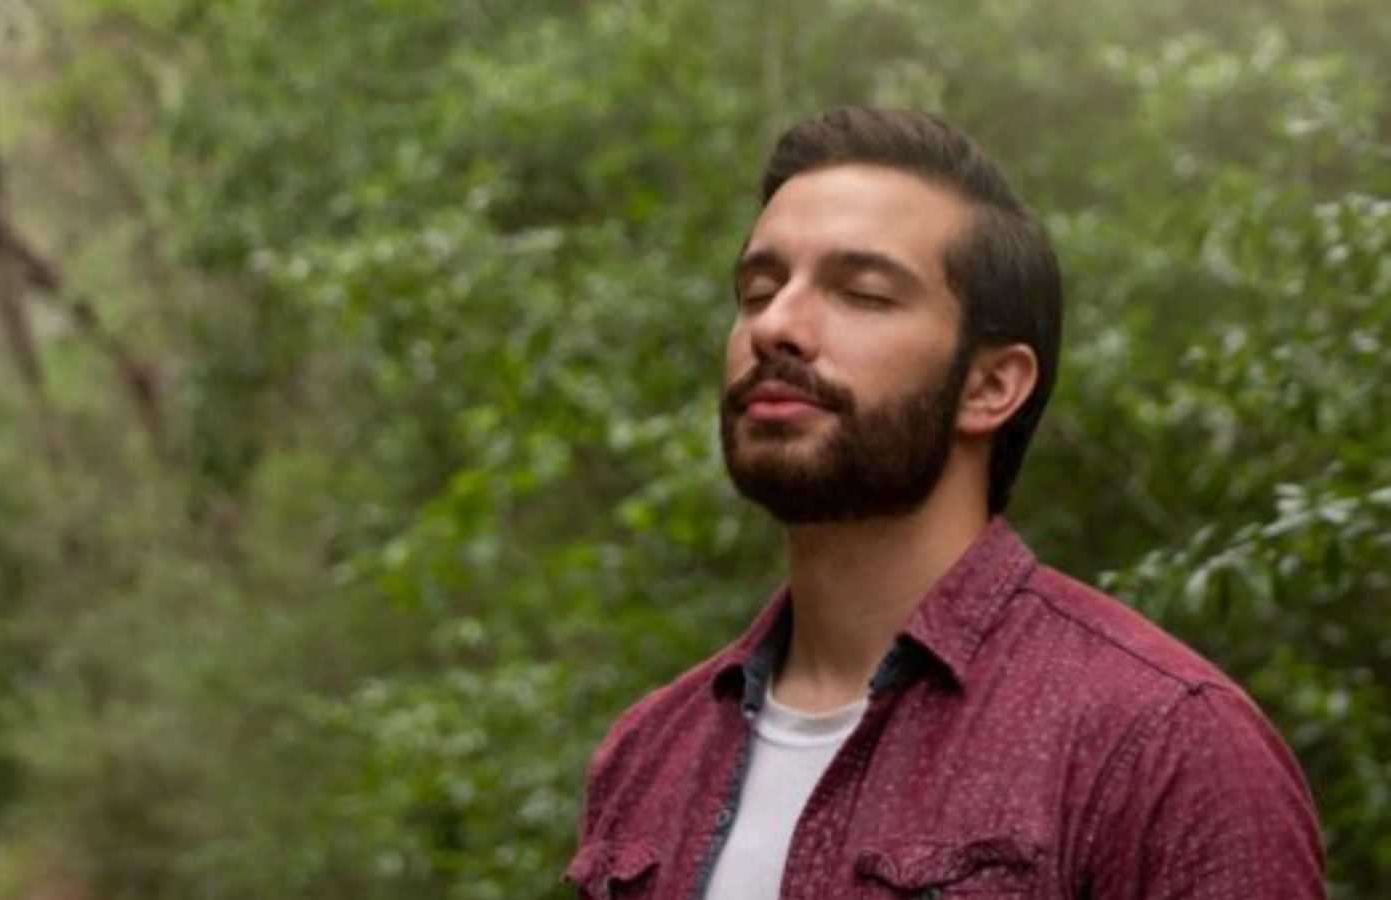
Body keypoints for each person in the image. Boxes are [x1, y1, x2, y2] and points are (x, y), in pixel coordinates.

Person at [567, 107, 1325, 900]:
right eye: (758, 291)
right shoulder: (649, 753)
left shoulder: (1162, 746)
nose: (777, 325)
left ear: (990, 385)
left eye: (860, 293)